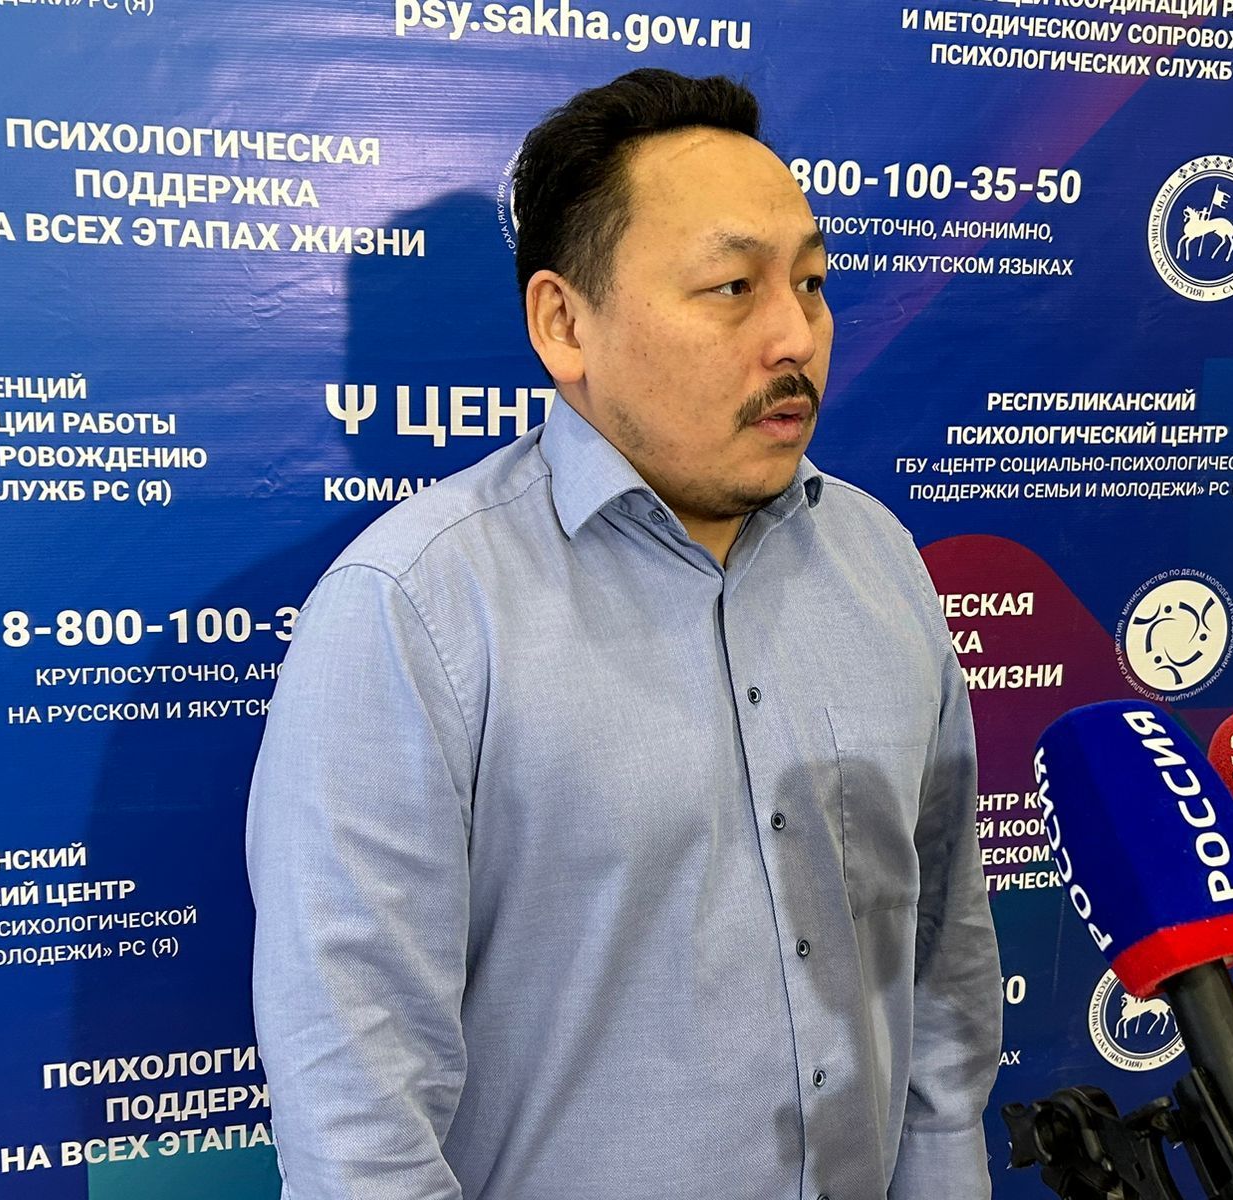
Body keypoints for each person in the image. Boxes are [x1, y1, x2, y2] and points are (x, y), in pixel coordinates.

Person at [247, 68, 1003, 1200]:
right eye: (733, 287)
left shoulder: (880, 559)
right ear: (565, 324)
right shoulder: (415, 608)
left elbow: (942, 962)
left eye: (810, 283)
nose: (795, 336)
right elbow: (358, 1111)